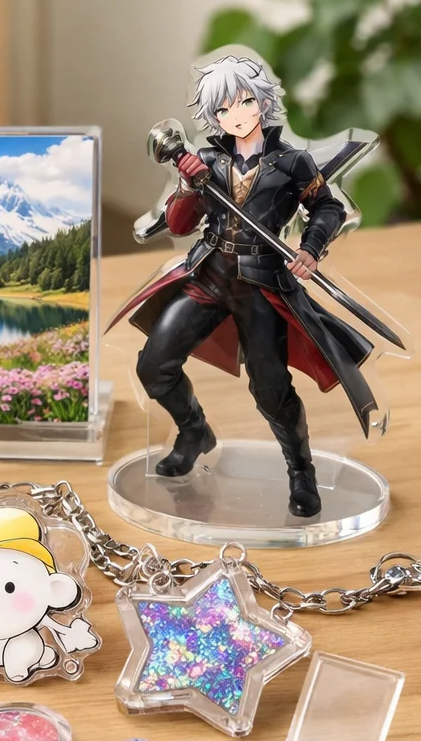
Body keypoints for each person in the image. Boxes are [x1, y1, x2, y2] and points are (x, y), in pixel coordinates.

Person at [109, 54, 377, 517]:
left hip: (262, 284)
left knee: (271, 390)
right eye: (223, 108)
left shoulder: (291, 162)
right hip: (209, 274)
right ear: (213, 116)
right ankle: (194, 431)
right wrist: (188, 186)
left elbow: (328, 208)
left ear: (263, 102)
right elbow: (180, 223)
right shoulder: (205, 161)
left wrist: (311, 247)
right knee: (154, 365)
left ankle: (300, 470)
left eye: (244, 101)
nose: (235, 114)